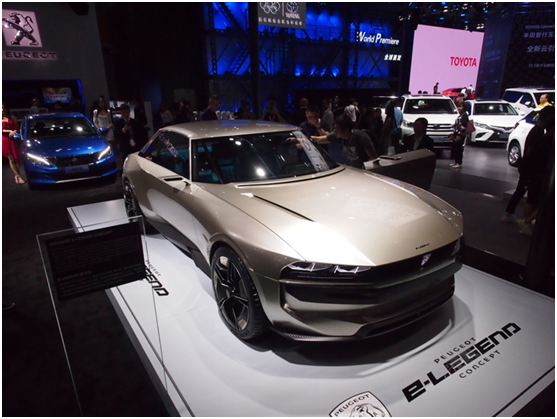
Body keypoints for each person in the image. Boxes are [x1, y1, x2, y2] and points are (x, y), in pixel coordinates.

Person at [515, 106, 555, 235]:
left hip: (533, 171)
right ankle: (527, 223)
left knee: (532, 198)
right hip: (536, 172)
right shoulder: (542, 137)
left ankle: (527, 223)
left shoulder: (539, 134)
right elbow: (532, 153)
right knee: (533, 199)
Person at [312, 114, 376, 169]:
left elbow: (373, 158)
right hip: (351, 169)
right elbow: (318, 139)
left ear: (346, 130)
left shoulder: (361, 137)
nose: (334, 131)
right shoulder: (338, 135)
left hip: (363, 171)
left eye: (336, 129)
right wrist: (306, 139)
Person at [2, 103, 25, 184]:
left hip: (14, 139)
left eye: (3, 108)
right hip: (5, 140)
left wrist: (14, 131)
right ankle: (17, 176)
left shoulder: (12, 117)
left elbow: (17, 128)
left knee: (17, 158)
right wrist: (10, 131)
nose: (2, 110)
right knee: (11, 159)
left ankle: (17, 175)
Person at [449, 102, 469, 168]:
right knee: (454, 148)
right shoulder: (460, 115)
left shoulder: (464, 115)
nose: (459, 108)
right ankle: (456, 162)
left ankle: (459, 163)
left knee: (459, 149)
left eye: (461, 107)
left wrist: (459, 135)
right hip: (457, 134)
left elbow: (464, 126)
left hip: (461, 135)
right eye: (458, 107)